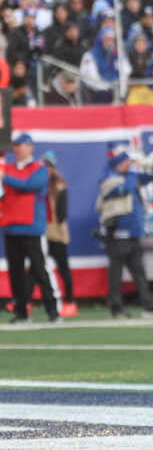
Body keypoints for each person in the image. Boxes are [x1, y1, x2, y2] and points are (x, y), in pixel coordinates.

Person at [96, 148, 153, 320]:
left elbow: (150, 178)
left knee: (139, 272)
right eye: (127, 162)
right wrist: (134, 170)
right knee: (116, 273)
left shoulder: (131, 176)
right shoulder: (108, 178)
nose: (130, 164)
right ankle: (116, 308)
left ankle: (150, 306)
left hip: (133, 234)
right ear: (119, 163)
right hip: (117, 234)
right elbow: (125, 189)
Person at [2, 134, 60, 324]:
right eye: (16, 146)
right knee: (15, 272)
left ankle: (52, 310)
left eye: (21, 145)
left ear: (30, 148)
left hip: (31, 227)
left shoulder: (40, 169)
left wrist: (4, 177)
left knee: (39, 270)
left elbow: (29, 185)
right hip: (10, 227)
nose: (17, 149)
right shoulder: (8, 169)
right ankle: (21, 312)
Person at [24, 151, 77, 317]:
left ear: (53, 168)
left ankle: (69, 301)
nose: (47, 170)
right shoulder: (37, 184)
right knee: (34, 270)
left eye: (49, 167)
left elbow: (62, 213)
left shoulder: (60, 186)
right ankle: (24, 302)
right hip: (42, 234)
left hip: (57, 235)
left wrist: (51, 225)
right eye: (44, 167)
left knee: (63, 269)